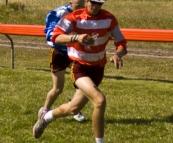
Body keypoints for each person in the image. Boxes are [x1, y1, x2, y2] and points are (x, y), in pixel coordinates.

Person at [33, 0, 127, 142]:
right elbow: (55, 36)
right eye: (93, 2)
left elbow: (121, 44)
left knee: (73, 109)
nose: (95, 7)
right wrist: (76, 37)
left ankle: (46, 117)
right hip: (80, 68)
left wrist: (117, 54)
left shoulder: (109, 18)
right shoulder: (74, 17)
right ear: (87, 1)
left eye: (99, 4)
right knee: (100, 101)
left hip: (98, 69)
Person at [35, 0, 86, 128]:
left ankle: (73, 106)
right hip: (59, 53)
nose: (80, 8)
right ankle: (45, 111)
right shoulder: (58, 13)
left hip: (74, 52)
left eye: (82, 5)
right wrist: (70, 37)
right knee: (58, 88)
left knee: (83, 83)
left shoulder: (85, 13)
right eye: (78, 5)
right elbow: (50, 34)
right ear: (70, 2)